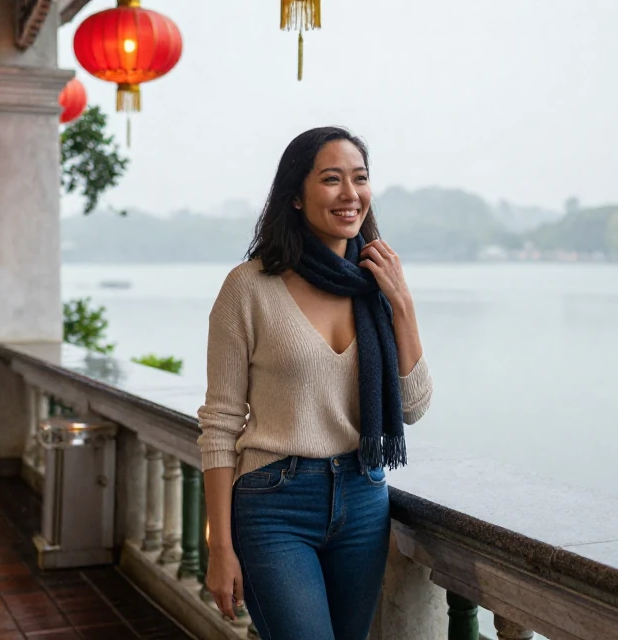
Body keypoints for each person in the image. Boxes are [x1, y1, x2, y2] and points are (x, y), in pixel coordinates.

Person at [198, 127, 434, 640]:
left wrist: (404, 305)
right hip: (274, 503)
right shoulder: (249, 287)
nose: (351, 195)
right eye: (332, 179)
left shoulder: (375, 287)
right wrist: (219, 548)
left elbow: (413, 407)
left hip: (364, 496)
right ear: (296, 198)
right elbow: (219, 425)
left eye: (360, 179)